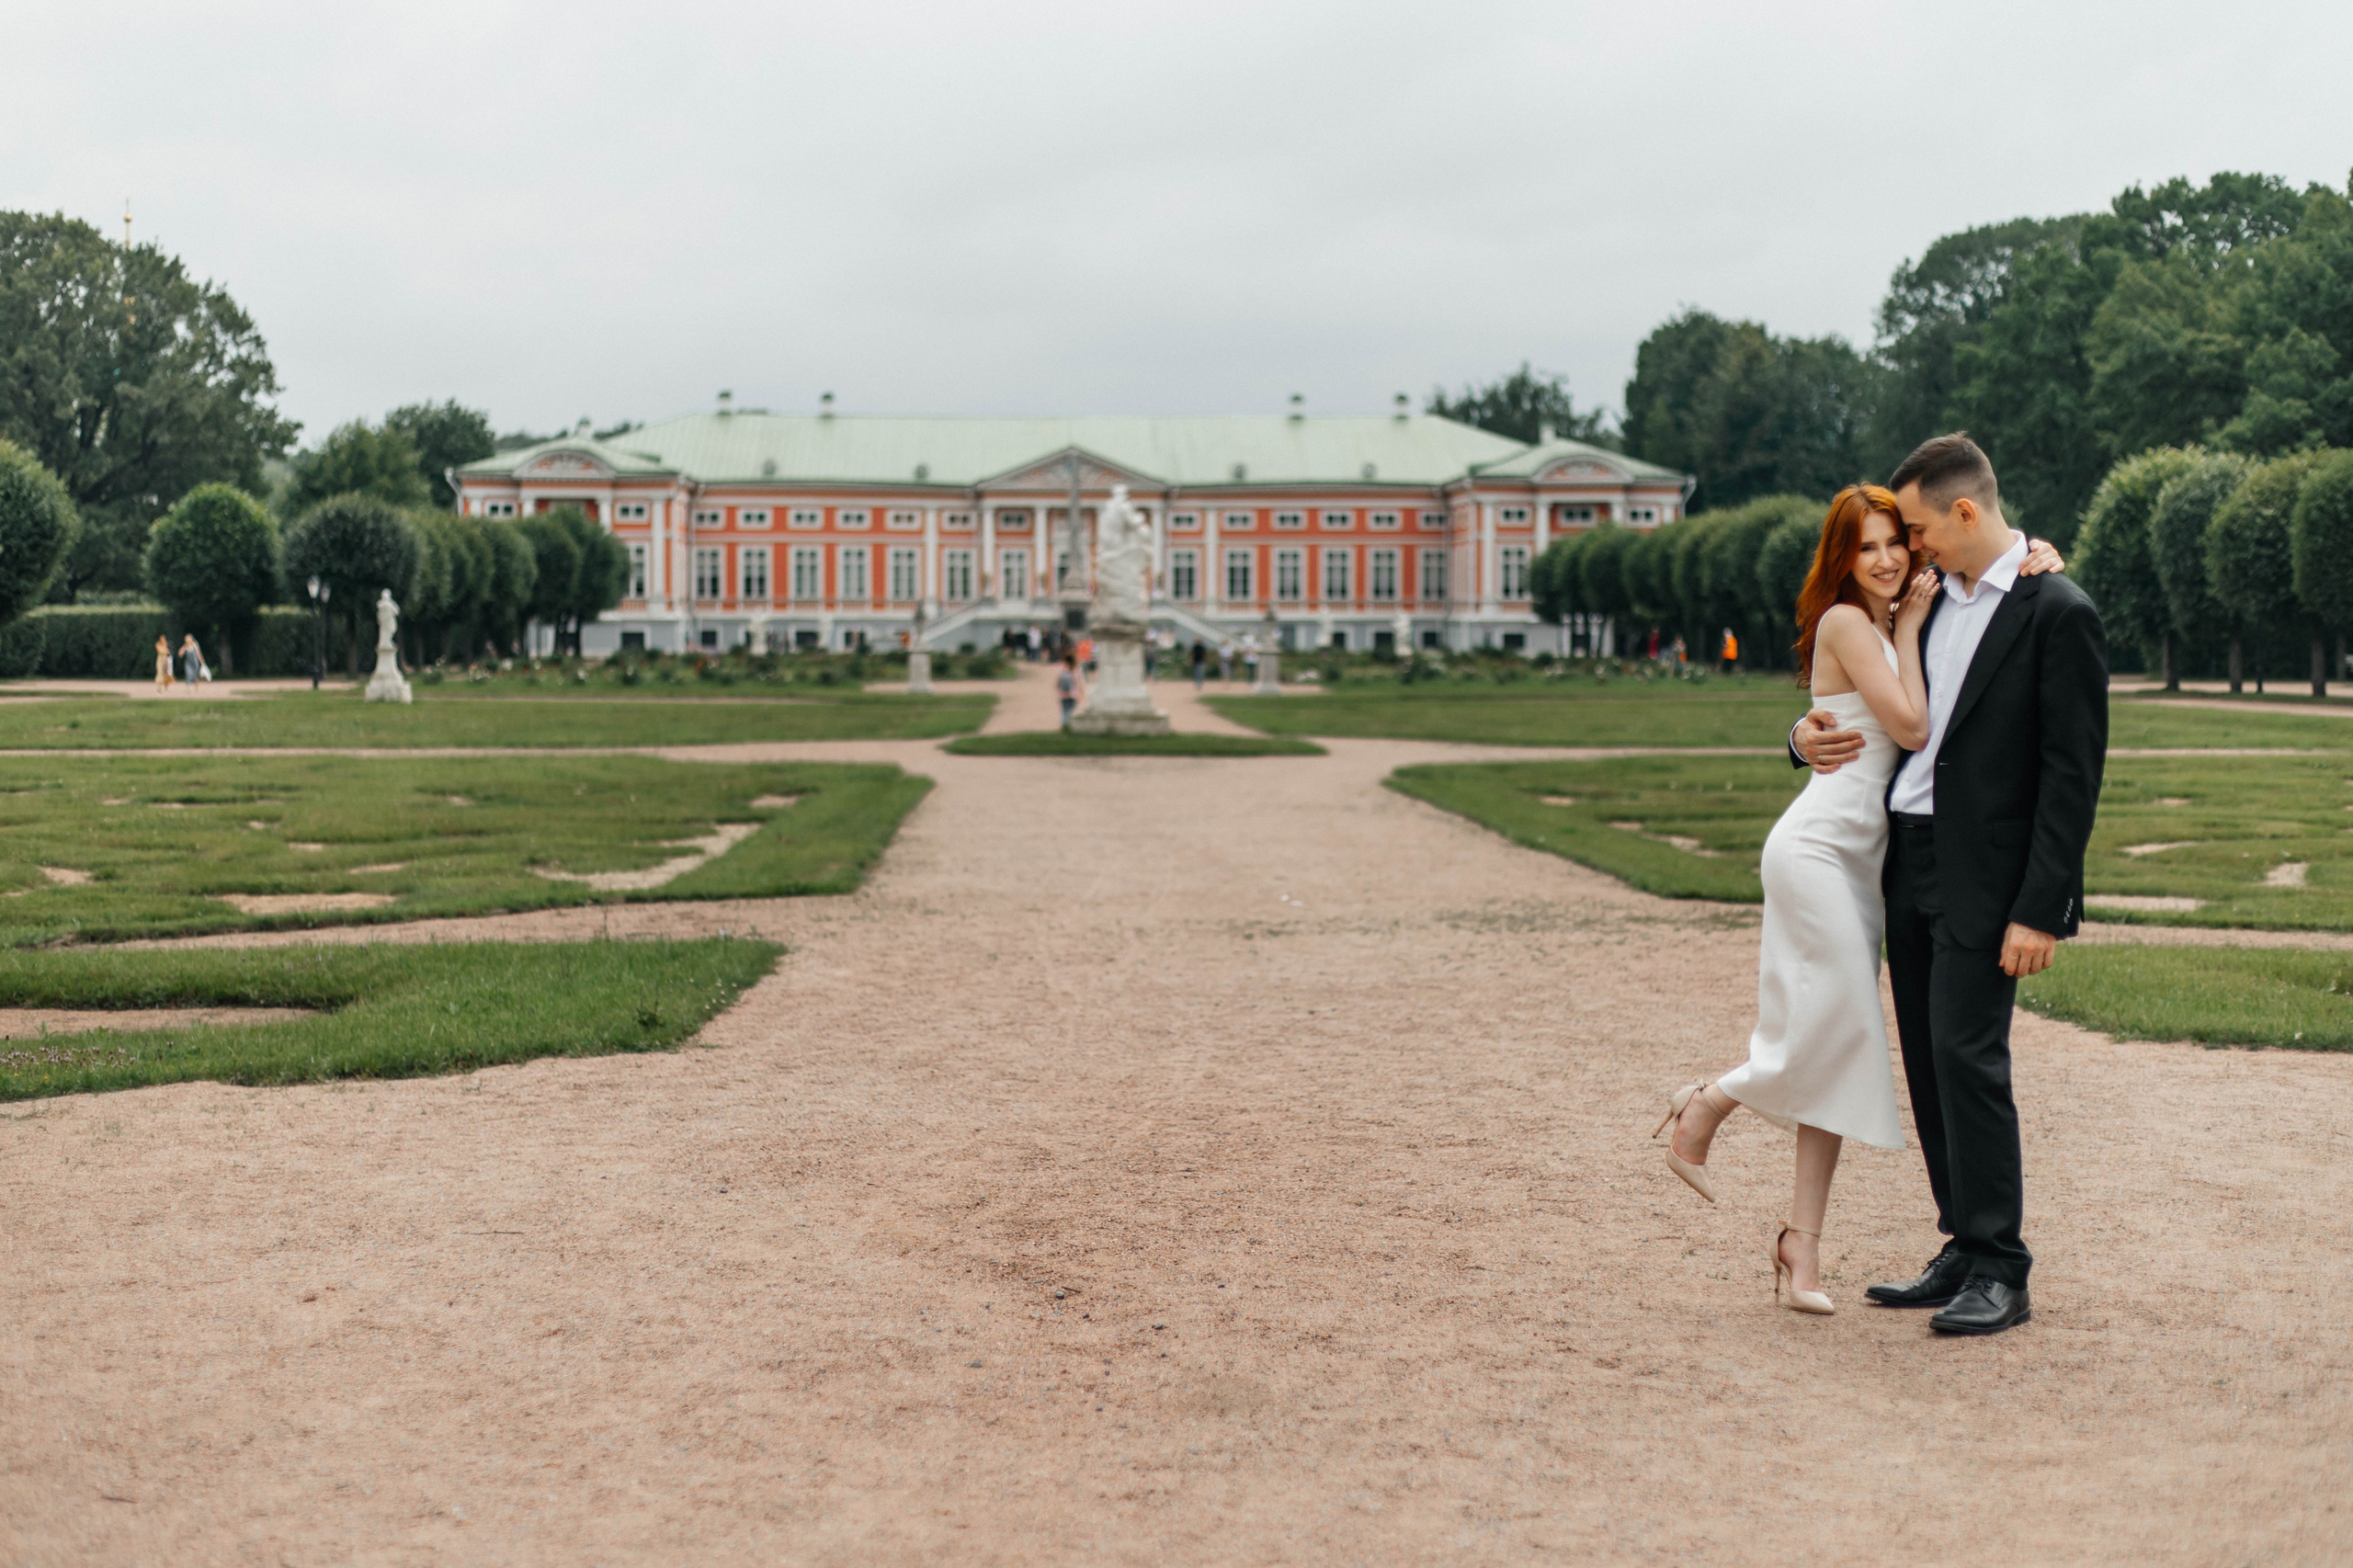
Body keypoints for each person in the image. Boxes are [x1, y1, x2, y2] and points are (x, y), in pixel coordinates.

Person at [1055, 653, 1082, 729]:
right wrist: (1081, 694)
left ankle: (1064, 725)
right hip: (1072, 695)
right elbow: (1078, 684)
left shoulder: (1062, 672)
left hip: (1063, 695)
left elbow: (1057, 684)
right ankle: (1069, 726)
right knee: (1071, 712)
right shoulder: (1075, 672)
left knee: (1064, 712)